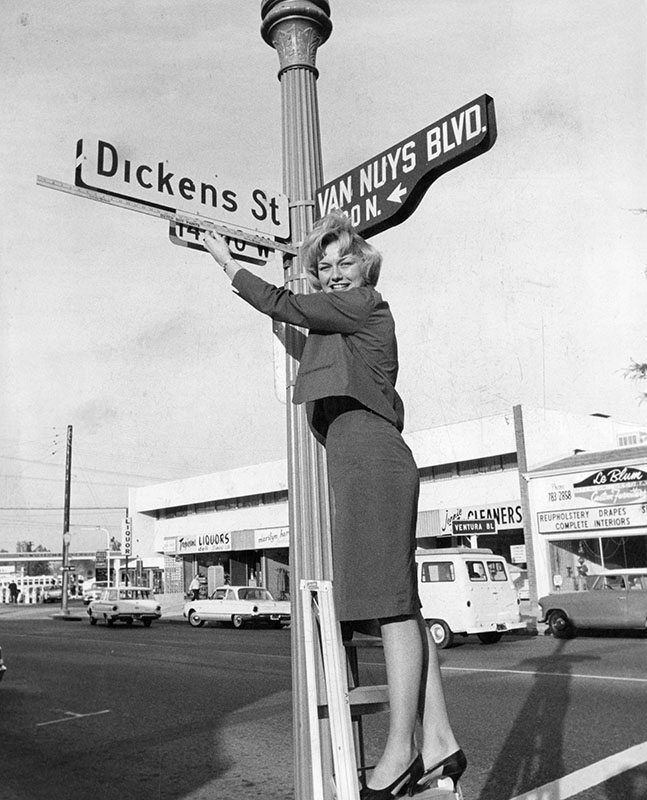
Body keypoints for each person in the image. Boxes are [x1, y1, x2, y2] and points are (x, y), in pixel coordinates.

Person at [202, 213, 465, 799]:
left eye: (345, 260)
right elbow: (296, 330)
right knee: (402, 603)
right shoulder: (338, 331)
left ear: (365, 263)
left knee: (391, 605)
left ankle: (402, 750)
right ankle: (441, 736)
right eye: (324, 267)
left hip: (372, 456)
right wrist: (286, 292)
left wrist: (226, 262)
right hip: (360, 460)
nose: (336, 273)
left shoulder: (367, 304)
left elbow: (284, 306)